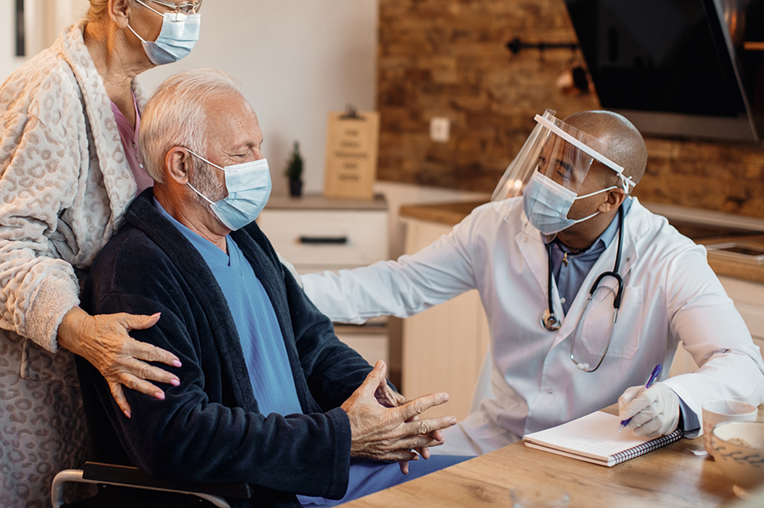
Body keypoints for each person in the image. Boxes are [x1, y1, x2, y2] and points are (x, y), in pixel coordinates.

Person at [78, 68, 465, 507]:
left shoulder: (241, 233)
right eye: (243, 152)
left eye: (258, 147)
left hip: (321, 470)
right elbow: (175, 435)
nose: (260, 165)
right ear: (181, 165)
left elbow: (311, 340)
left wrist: (377, 403)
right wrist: (342, 436)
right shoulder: (135, 271)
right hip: (261, 492)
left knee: (475, 483)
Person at [301, 109, 764, 456]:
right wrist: (281, 289)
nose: (541, 180)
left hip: (602, 452)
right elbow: (398, 284)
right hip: (495, 439)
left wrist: (676, 398)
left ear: (610, 198)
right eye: (544, 162)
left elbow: (741, 364)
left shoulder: (668, 258)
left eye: (563, 172)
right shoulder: (495, 226)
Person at [0, 0, 212, 505]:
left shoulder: (132, 93)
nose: (190, 23)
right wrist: (84, 333)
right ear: (121, 6)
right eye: (177, 8)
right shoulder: (46, 91)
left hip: (88, 382)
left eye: (196, 8)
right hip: (26, 378)